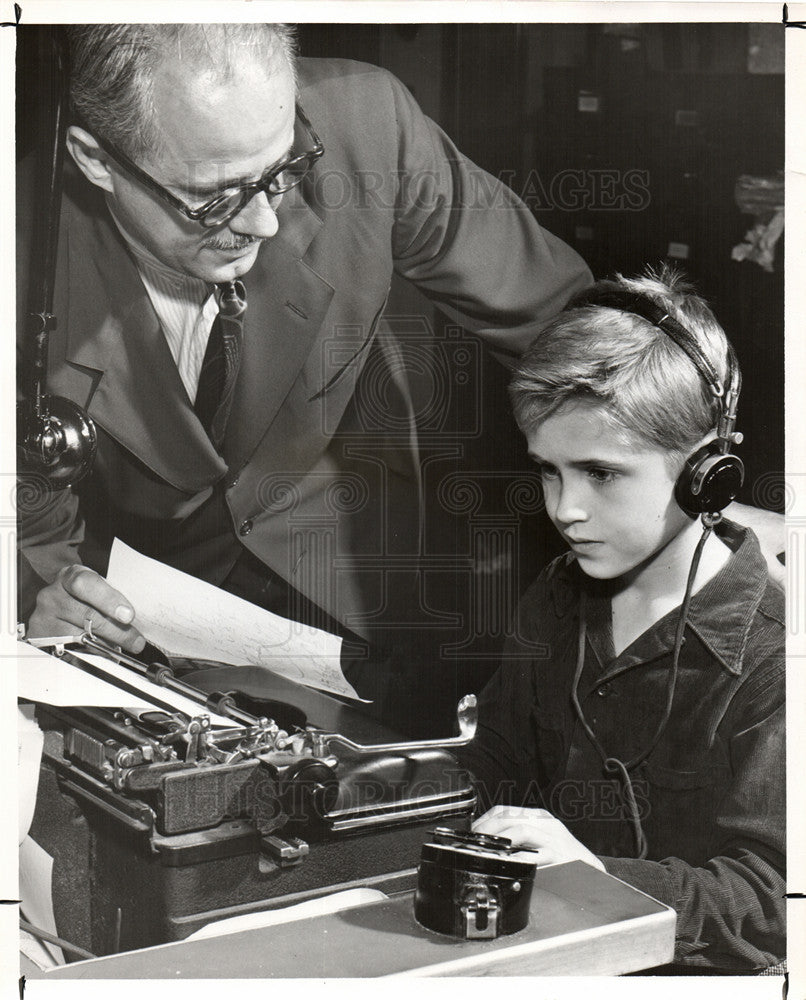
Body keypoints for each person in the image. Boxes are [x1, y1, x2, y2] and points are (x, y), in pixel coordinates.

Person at [16, 23, 592, 722]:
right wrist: (44, 605)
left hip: (364, 589)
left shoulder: (367, 125)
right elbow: (32, 527)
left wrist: (675, 471)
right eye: (214, 197)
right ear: (95, 160)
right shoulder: (21, 246)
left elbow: (565, 324)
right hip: (143, 627)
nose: (262, 222)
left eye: (282, 169)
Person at [459, 268, 785, 972]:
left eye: (600, 473)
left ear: (707, 474)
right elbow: (498, 759)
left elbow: (769, 905)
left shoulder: (775, 659)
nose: (565, 509)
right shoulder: (556, 595)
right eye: (549, 470)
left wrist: (598, 879)